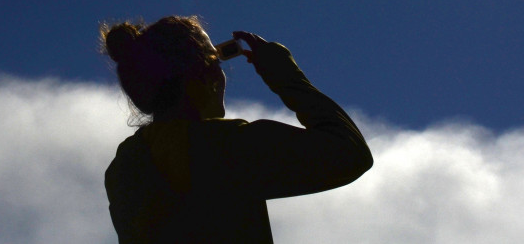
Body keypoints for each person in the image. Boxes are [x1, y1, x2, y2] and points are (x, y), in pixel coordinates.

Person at [101, 16, 373, 243]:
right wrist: (286, 76)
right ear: (203, 75)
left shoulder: (124, 165)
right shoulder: (221, 146)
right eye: (217, 62)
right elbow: (350, 154)